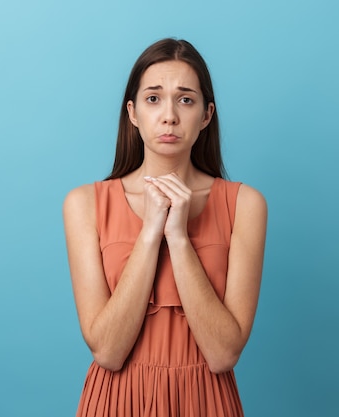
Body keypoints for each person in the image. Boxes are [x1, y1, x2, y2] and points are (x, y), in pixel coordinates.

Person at [63, 38, 268, 417]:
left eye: (185, 99)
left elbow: (223, 353)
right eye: (153, 98)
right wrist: (150, 231)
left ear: (206, 115)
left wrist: (178, 236)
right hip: (116, 400)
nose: (169, 115)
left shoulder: (245, 205)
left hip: (206, 401)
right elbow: (107, 351)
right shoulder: (84, 204)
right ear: (133, 112)